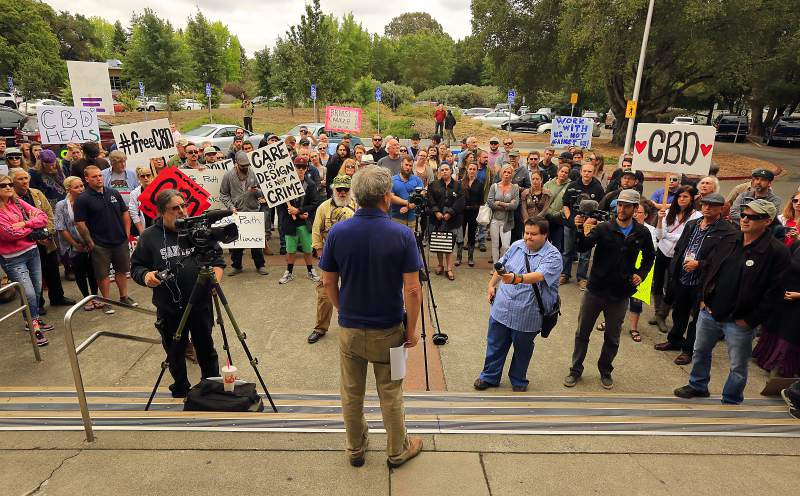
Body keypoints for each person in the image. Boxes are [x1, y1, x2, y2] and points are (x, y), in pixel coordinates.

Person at [318, 165, 424, 468]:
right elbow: (413, 290)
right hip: (389, 328)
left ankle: (355, 448)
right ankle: (396, 449)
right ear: (386, 196)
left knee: (351, 392)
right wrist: (412, 330)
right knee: (391, 392)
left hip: (351, 328)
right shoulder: (402, 234)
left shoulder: (338, 231)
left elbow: (328, 282)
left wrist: (342, 311)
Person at [674, 199, 790, 405]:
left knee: (737, 364)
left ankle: (731, 398)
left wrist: (751, 319)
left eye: (753, 217)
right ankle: (698, 385)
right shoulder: (730, 239)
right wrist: (703, 299)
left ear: (768, 221)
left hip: (740, 319)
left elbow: (775, 293)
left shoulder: (776, 252)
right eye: (744, 215)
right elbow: (710, 267)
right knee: (700, 351)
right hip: (709, 311)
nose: (745, 219)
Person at [131, 189, 223, 398]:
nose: (182, 211)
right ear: (163, 212)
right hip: (169, 307)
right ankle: (180, 387)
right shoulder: (149, 237)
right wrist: (147, 277)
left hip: (200, 305)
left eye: (184, 206)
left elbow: (217, 260)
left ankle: (211, 388)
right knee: (175, 352)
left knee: (206, 348)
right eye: (175, 208)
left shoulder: (197, 230)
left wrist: (214, 282)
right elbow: (136, 267)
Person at [564, 189, 655, 390]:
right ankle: (575, 370)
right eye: (619, 205)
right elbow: (582, 247)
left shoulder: (642, 232)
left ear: (635, 209)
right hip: (595, 290)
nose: (621, 209)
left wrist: (641, 273)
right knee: (582, 333)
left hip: (620, 293)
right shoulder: (604, 228)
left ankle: (605, 371)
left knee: (612, 337)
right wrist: (580, 229)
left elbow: (650, 256)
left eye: (626, 206)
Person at [475, 219, 562, 391]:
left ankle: (518, 379)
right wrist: (491, 285)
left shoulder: (553, 256)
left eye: (533, 234)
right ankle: (490, 377)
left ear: (545, 235)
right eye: (526, 233)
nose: (528, 238)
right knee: (495, 344)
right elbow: (502, 265)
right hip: (501, 309)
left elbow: (538, 275)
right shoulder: (517, 245)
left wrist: (516, 278)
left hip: (527, 314)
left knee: (522, 350)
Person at [654, 193, 737, 364]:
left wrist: (699, 264)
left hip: (704, 283)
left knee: (697, 318)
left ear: (721, 208)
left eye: (713, 205)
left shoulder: (727, 232)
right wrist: (675, 268)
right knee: (679, 312)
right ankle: (675, 339)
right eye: (705, 204)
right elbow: (680, 248)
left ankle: (688, 350)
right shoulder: (692, 224)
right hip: (683, 277)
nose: (707, 207)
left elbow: (723, 260)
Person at [73, 166, 135, 314]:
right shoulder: (83, 199)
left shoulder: (113, 192)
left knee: (122, 270)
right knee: (103, 275)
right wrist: (90, 241)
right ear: (86, 179)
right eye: (94, 176)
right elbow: (80, 223)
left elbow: (125, 212)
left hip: (119, 240)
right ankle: (107, 301)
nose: (98, 178)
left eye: (100, 175)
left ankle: (124, 296)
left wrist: (126, 233)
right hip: (99, 244)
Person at [0, 174, 53, 343]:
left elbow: (42, 217)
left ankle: (31, 319)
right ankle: (34, 327)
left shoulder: (17, 202)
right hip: (13, 258)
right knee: (28, 292)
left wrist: (25, 223)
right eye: (3, 185)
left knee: (36, 290)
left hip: (32, 251)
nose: (8, 187)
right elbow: (8, 234)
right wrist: (32, 225)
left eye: (9, 184)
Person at [308, 175, 357, 344]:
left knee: (353, 291)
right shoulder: (323, 207)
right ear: (333, 190)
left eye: (345, 189)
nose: (342, 192)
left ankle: (353, 324)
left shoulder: (357, 206)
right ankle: (320, 327)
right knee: (324, 293)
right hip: (330, 256)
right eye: (339, 189)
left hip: (352, 257)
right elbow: (316, 231)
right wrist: (321, 254)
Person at [651, 186, 701, 333]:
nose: (682, 199)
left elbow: (687, 238)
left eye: (685, 196)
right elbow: (660, 235)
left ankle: (663, 313)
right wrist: (660, 220)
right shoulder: (667, 213)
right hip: (663, 251)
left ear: (691, 198)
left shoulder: (696, 216)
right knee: (658, 282)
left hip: (679, 256)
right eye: (679, 197)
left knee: (673, 286)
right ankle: (657, 312)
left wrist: (669, 236)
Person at [55, 176, 100, 312]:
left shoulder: (88, 200)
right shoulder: (61, 205)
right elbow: (61, 228)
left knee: (93, 271)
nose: (81, 189)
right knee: (80, 272)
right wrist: (75, 244)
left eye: (82, 186)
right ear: (68, 189)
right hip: (74, 245)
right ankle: (86, 298)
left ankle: (95, 297)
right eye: (76, 187)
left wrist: (90, 241)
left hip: (91, 242)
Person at [219, 152, 268, 276]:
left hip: (253, 212)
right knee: (237, 242)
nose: (245, 168)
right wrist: (231, 207)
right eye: (242, 166)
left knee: (256, 242)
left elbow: (263, 192)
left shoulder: (253, 173)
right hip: (237, 213)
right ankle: (237, 265)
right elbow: (223, 194)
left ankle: (260, 265)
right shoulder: (228, 175)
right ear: (236, 163)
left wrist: (256, 190)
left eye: (247, 165)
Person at [560, 162, 605, 288]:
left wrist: (589, 221)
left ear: (593, 173)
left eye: (589, 171)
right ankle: (564, 274)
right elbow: (565, 204)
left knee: (585, 253)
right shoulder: (572, 185)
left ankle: (581, 277)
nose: (586, 173)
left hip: (588, 225)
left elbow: (600, 207)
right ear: (581, 172)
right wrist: (571, 219)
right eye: (584, 171)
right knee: (567, 250)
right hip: (571, 224)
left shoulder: (598, 187)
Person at [277, 157, 320, 284]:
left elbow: (314, 203)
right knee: (290, 250)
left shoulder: (311, 184)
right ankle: (289, 272)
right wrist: (289, 210)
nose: (300, 170)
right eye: (298, 167)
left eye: (303, 167)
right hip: (290, 222)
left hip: (304, 223)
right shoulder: (285, 184)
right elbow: (279, 203)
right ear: (293, 168)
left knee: (308, 249)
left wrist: (301, 212)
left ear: (307, 168)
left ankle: (311, 270)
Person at [625, 199, 658, 342]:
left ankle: (633, 327)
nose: (636, 215)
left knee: (636, 300)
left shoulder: (650, 230)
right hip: (624, 266)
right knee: (617, 297)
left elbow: (653, 251)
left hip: (642, 268)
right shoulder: (625, 226)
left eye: (639, 212)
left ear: (645, 215)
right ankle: (611, 322)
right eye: (635, 212)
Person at [428, 162, 464, 281]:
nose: (444, 171)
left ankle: (449, 268)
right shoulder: (433, 185)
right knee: (439, 243)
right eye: (442, 170)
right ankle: (440, 265)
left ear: (451, 171)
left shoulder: (458, 185)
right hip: (437, 219)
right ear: (439, 172)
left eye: (446, 169)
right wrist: (436, 211)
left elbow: (460, 201)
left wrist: (451, 212)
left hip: (452, 220)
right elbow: (430, 199)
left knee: (449, 244)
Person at [487, 164, 520, 264]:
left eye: (509, 172)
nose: (506, 174)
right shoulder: (495, 186)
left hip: (507, 221)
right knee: (495, 245)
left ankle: (501, 265)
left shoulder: (515, 188)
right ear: (501, 173)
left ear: (512, 175)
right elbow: (490, 202)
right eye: (504, 172)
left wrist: (500, 203)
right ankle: (495, 266)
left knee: (506, 245)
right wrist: (508, 205)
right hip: (495, 220)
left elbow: (515, 206)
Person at [390, 154, 424, 229]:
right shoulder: (392, 180)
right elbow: (391, 197)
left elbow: (422, 195)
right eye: (406, 165)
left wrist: (409, 207)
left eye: (410, 166)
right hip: (397, 219)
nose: (408, 167)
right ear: (401, 164)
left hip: (413, 219)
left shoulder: (417, 180)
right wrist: (407, 203)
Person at [543, 163, 571, 252]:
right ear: (558, 172)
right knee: (543, 243)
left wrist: (558, 214)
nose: (563, 174)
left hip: (559, 220)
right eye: (562, 171)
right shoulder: (548, 184)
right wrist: (548, 212)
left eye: (566, 172)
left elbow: (569, 204)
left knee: (556, 245)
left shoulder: (570, 186)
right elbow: (542, 201)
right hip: (546, 218)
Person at [461, 162, 483, 267]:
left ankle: (470, 257)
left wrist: (476, 208)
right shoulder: (461, 182)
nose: (472, 171)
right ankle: (458, 257)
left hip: (474, 212)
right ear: (467, 169)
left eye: (474, 169)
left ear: (476, 171)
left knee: (471, 234)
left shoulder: (479, 183)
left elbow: (481, 200)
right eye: (470, 169)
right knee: (460, 234)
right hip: (462, 212)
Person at [128, 166, 155, 235]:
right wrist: (141, 230)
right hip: (145, 224)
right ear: (139, 178)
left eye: (148, 175)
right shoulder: (134, 193)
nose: (146, 178)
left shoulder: (159, 189)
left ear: (152, 176)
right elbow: (134, 213)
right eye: (143, 176)